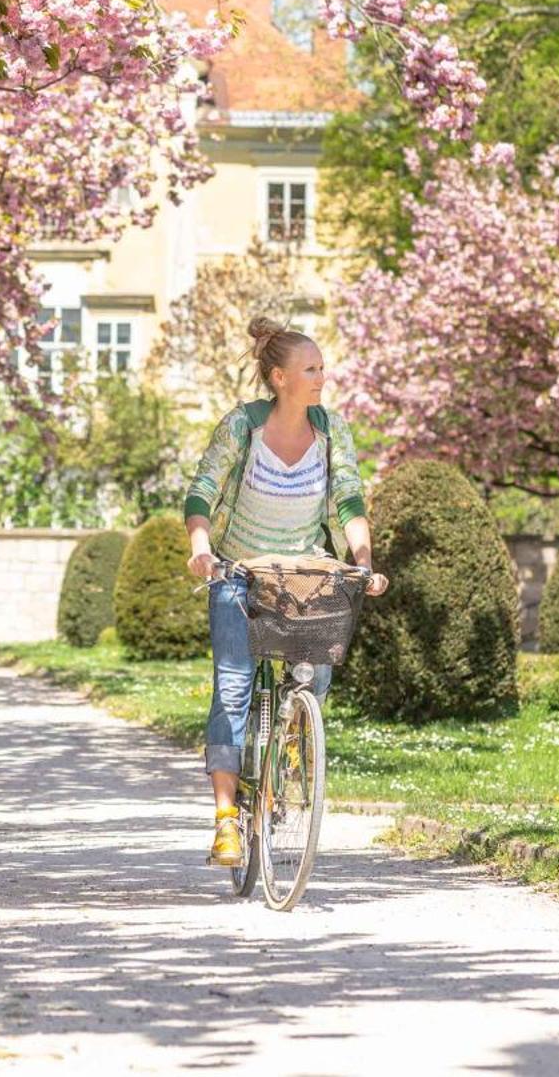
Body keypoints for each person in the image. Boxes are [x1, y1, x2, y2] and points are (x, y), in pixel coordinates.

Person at [184, 317, 391, 868]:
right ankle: (227, 821)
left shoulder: (331, 430)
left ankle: (295, 736)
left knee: (317, 668)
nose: (322, 377)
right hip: (239, 572)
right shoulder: (242, 428)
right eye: (311, 369)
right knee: (233, 686)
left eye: (322, 367)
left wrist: (363, 563)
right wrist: (202, 547)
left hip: (304, 570)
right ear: (279, 377)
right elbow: (202, 491)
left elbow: (349, 501)